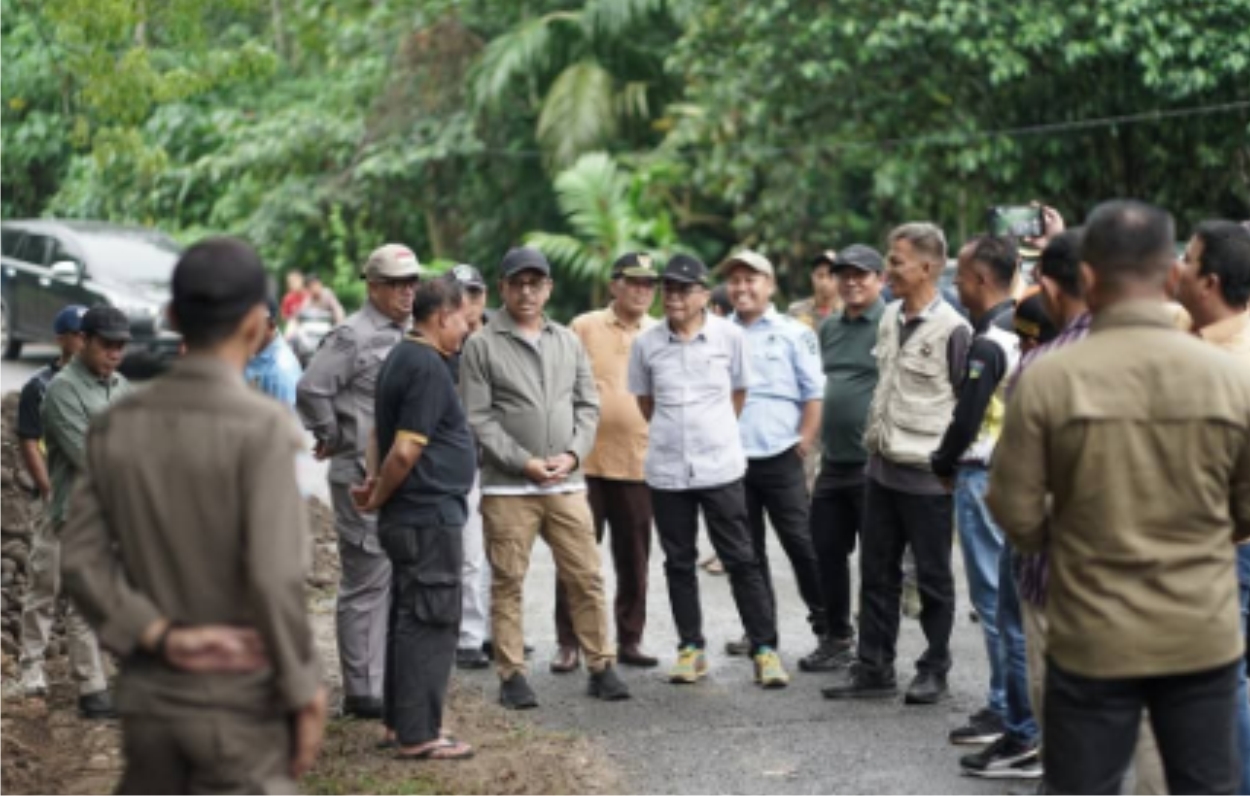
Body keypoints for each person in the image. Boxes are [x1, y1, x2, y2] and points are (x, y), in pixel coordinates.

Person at [989, 200, 1250, 794]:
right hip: (1201, 628)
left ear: (1086, 277)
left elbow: (1013, 508)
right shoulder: (1231, 378)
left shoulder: (1050, 376)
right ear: (1169, 276)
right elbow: (1247, 508)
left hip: (1091, 627)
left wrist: (1070, 541)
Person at [60, 237, 327, 793]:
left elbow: (82, 560)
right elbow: (275, 577)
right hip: (237, 705)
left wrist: (155, 634)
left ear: (173, 317)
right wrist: (304, 689)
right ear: (257, 323)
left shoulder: (119, 424)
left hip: (149, 702)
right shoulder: (266, 430)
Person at [460, 247, 629, 709]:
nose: (527, 292)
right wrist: (524, 461)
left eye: (536, 283)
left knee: (587, 576)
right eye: (518, 283)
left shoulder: (566, 340)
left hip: (567, 484)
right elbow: (479, 417)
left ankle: (601, 665)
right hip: (508, 486)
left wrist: (574, 455)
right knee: (508, 581)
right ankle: (512, 674)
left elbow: (587, 405)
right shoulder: (481, 344)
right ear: (504, 288)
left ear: (548, 288)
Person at [824, 222, 972, 705]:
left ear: (927, 267)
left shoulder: (954, 330)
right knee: (876, 573)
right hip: (881, 469)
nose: (888, 269)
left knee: (931, 579)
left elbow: (965, 406)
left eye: (896, 261)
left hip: (927, 478)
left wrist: (950, 467)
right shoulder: (888, 317)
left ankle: (934, 668)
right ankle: (873, 666)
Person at [628, 254, 788, 688]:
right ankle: (690, 648)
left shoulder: (730, 338)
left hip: (720, 466)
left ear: (702, 294)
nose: (673, 297)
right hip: (667, 470)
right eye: (668, 289)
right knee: (678, 562)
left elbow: (739, 393)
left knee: (741, 558)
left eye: (683, 289)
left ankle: (765, 649)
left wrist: (710, 432)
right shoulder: (647, 344)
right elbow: (646, 404)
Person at [354, 278, 476, 760]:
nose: (466, 330)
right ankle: (420, 733)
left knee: (407, 616)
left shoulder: (400, 357)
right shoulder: (426, 365)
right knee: (432, 618)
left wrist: (373, 483)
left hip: (413, 515)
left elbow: (377, 434)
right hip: (426, 515)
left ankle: (396, 722)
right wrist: (379, 493)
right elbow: (404, 451)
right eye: (464, 321)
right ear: (442, 316)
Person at [296, 244, 420, 718]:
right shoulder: (353, 335)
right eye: (395, 283)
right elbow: (312, 388)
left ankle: (382, 676)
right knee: (366, 576)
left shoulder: (409, 331)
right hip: (359, 473)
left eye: (411, 282)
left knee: (394, 576)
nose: (406, 292)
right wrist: (332, 434)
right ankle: (362, 690)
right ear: (372, 286)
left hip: (398, 472)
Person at [928, 236, 1035, 777]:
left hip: (982, 473)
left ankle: (1007, 709)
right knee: (1005, 602)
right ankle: (1012, 708)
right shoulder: (1029, 328)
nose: (956, 285)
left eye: (962, 275)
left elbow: (967, 418)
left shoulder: (991, 339)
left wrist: (942, 462)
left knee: (995, 602)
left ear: (981, 279)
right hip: (1012, 471)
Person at [552, 253, 661, 673]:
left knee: (634, 559)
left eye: (649, 284)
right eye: (633, 282)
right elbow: (560, 386)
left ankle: (630, 639)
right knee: (577, 558)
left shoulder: (660, 333)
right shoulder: (585, 326)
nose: (642, 290)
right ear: (614, 284)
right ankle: (569, 642)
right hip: (585, 464)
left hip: (639, 464)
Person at [720, 250, 827, 668]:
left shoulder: (793, 332)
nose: (742, 288)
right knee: (746, 553)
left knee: (802, 545)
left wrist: (803, 441)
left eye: (752, 279)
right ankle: (760, 633)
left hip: (782, 455)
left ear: (771, 286)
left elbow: (813, 392)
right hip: (732, 460)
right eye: (735, 281)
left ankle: (831, 631)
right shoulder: (716, 332)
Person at [1173, 219, 1250, 793]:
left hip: (1229, 545)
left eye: (1189, 260)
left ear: (1212, 281)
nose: (1178, 266)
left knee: (1228, 682)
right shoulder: (1191, 328)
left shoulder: (1234, 366)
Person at [36, 305, 139, 718]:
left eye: (121, 346)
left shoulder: (122, 386)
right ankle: (91, 688)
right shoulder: (63, 390)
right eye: (107, 344)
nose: (115, 352)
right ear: (85, 341)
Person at [807, 246, 886, 681]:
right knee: (826, 553)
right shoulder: (830, 326)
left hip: (873, 464)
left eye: (861, 275)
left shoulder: (890, 323)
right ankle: (837, 638)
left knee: (875, 562)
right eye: (844, 275)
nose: (852, 282)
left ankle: (874, 652)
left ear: (879, 279)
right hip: (833, 463)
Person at [16, 304, 87, 698]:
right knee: (45, 582)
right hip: (55, 499)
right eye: (79, 333)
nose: (86, 340)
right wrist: (48, 489)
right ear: (62, 338)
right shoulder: (40, 386)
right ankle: (31, 666)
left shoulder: (104, 384)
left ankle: (85, 672)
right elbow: (29, 440)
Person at [444, 263, 493, 670]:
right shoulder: (443, 342)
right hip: (465, 460)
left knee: (508, 552)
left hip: (507, 458)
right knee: (470, 553)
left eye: (474, 294)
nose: (468, 303)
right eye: (459, 294)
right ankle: (469, 636)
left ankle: (499, 631)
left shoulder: (500, 337)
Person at [245, 296, 304, 406]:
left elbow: (290, 421)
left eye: (255, 324)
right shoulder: (254, 352)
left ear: (271, 325)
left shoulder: (282, 372)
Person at [787, 249, 844, 330]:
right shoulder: (796, 311)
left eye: (831, 276)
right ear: (812, 277)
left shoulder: (848, 313)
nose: (824, 282)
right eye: (820, 276)